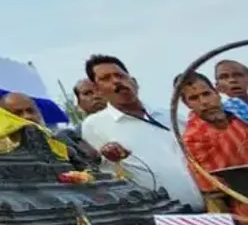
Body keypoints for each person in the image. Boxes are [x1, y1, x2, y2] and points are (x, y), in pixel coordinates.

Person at [79, 54, 202, 208]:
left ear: (133, 81)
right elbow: (100, 171)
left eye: (120, 75)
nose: (116, 81)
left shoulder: (170, 115)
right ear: (97, 89)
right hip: (161, 215)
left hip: (211, 207)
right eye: (106, 78)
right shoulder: (93, 125)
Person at [177, 72, 248, 217]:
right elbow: (213, 194)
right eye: (194, 98)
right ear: (187, 104)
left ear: (217, 93)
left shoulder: (240, 115)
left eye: (206, 94)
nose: (204, 102)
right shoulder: (193, 138)